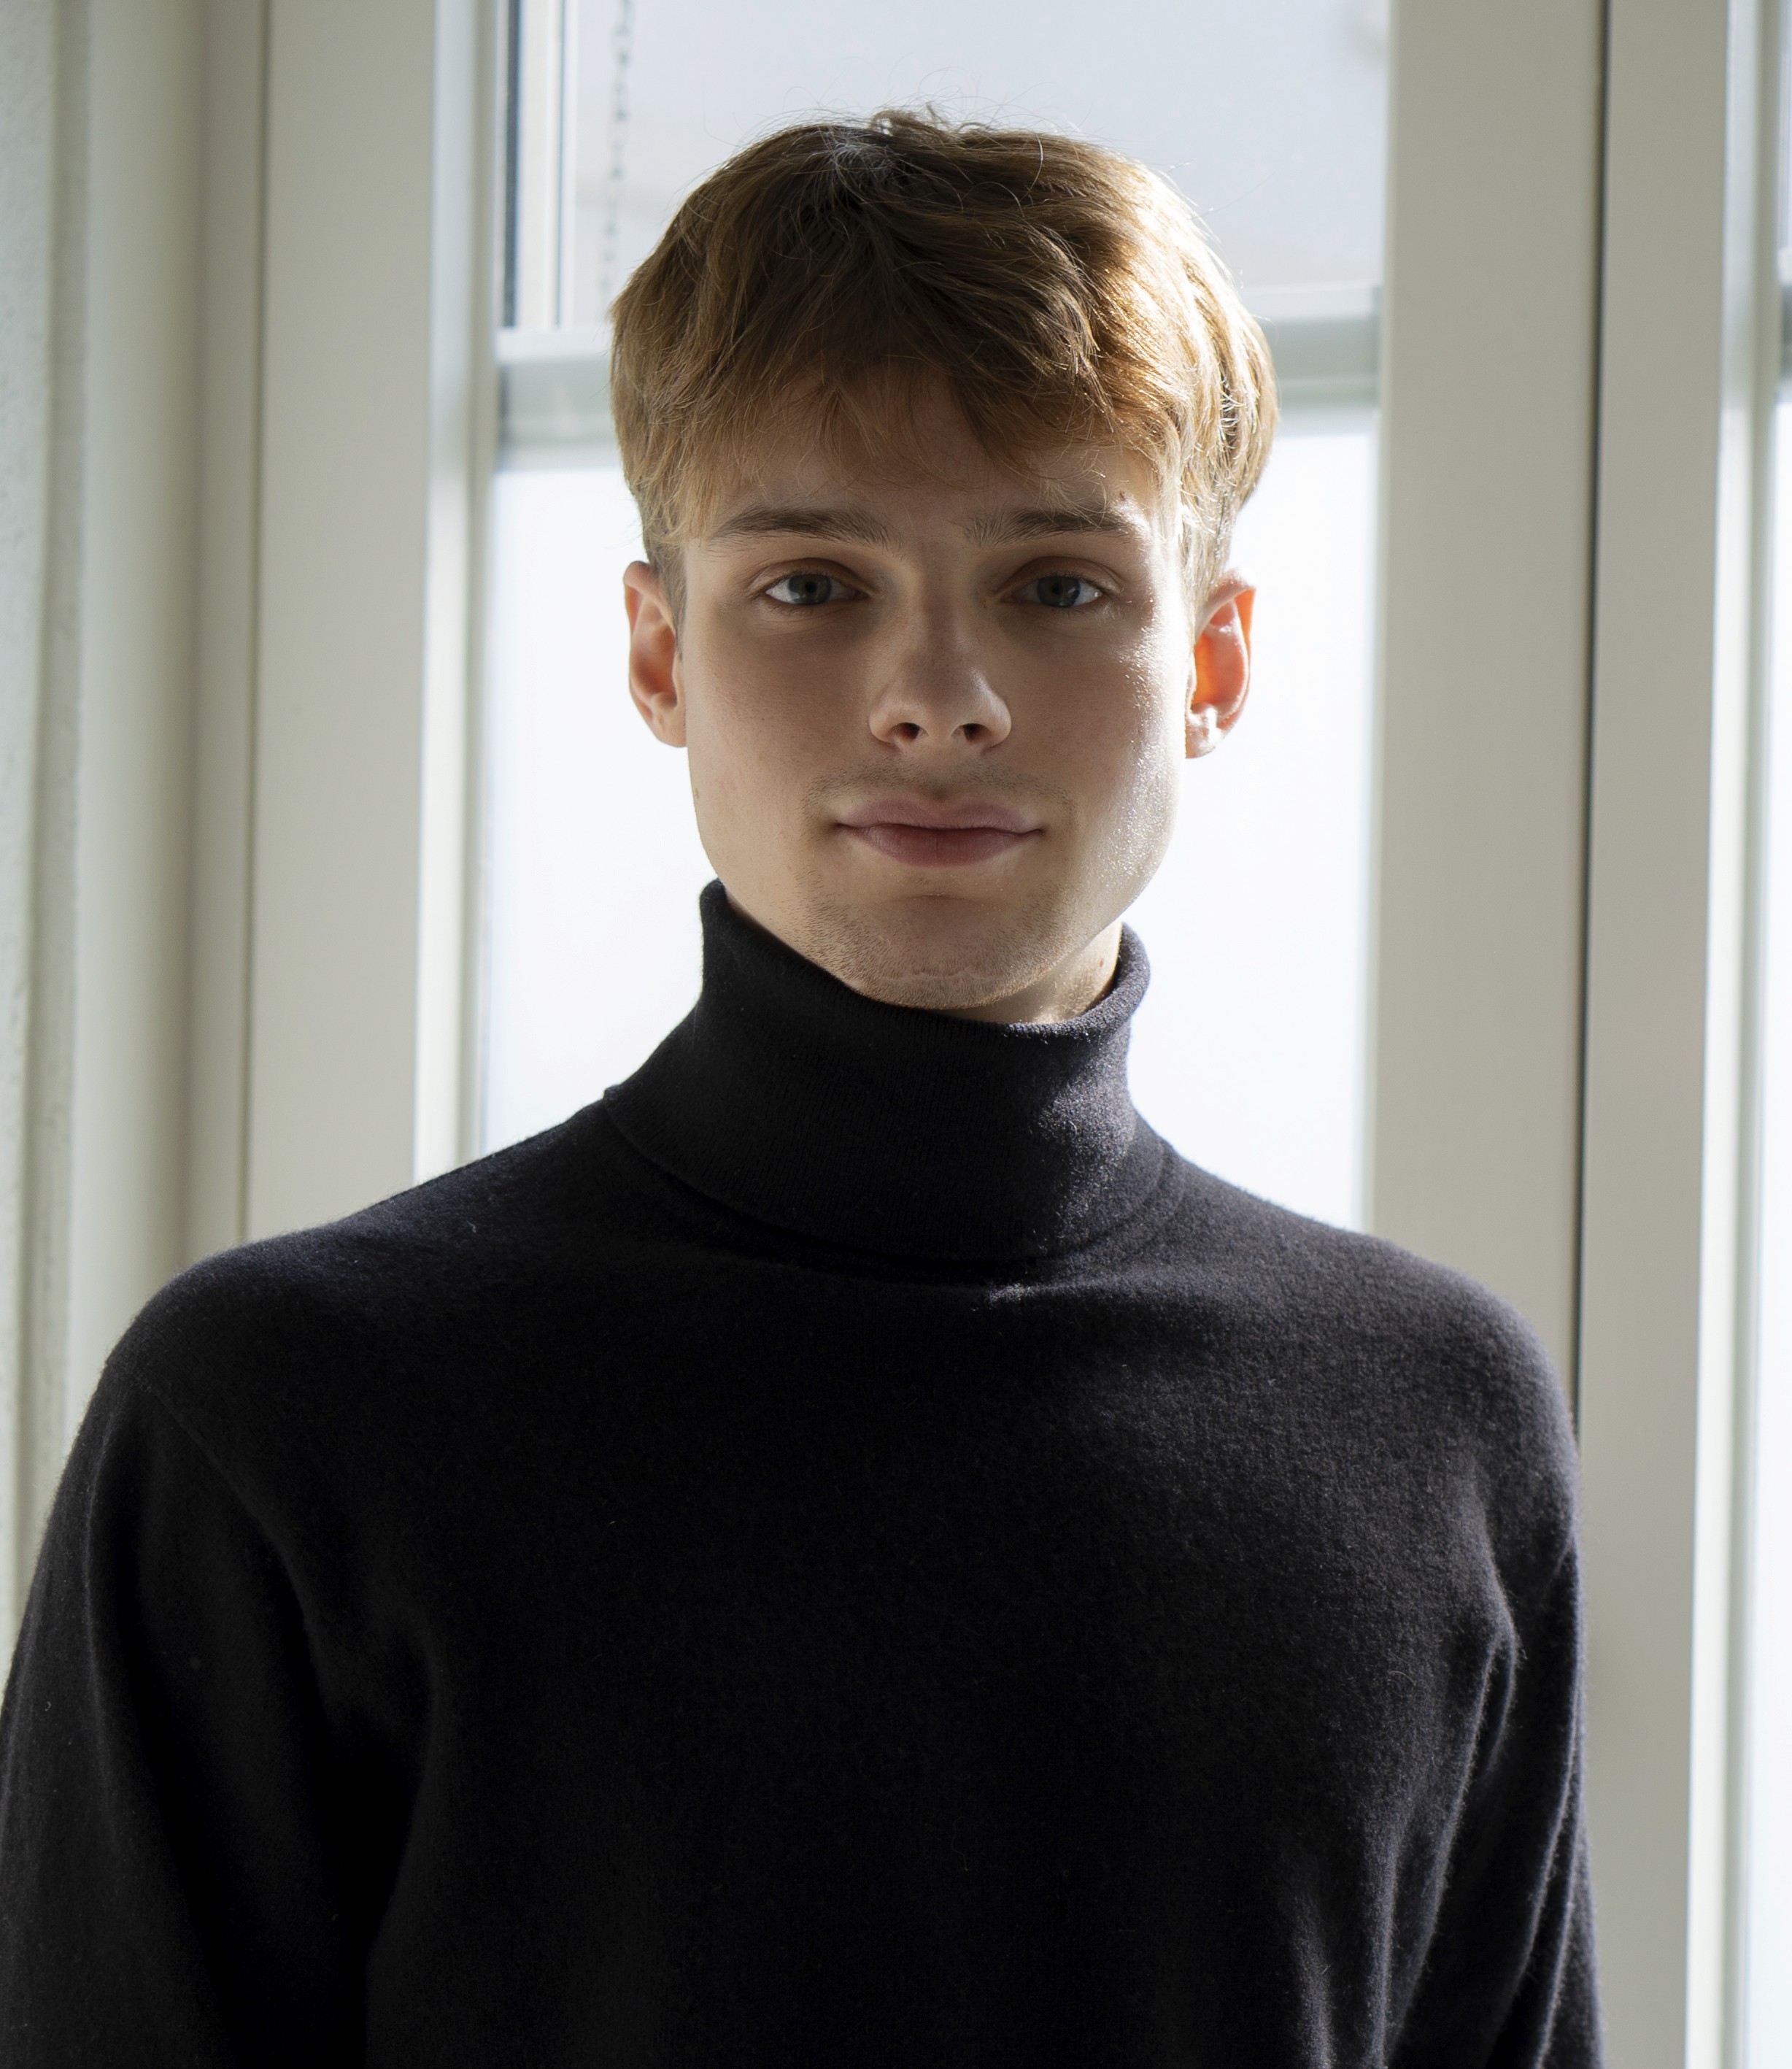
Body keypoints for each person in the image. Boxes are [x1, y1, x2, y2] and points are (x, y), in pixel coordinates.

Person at [0, 111, 1599, 2065]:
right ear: (660, 649)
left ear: (1220, 659)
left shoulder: (1434, 1426)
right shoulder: (283, 1418)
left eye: (1062, 586)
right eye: (814, 585)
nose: (940, 693)